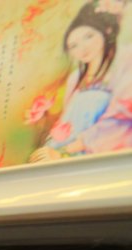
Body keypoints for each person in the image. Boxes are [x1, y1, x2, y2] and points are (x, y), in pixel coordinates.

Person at [30, 1, 132, 162]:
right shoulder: (75, 78)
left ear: (106, 31)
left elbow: (119, 117)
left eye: (88, 36)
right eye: (74, 45)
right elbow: (67, 123)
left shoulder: (125, 59)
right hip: (66, 150)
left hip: (104, 149)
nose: (83, 47)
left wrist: (65, 152)